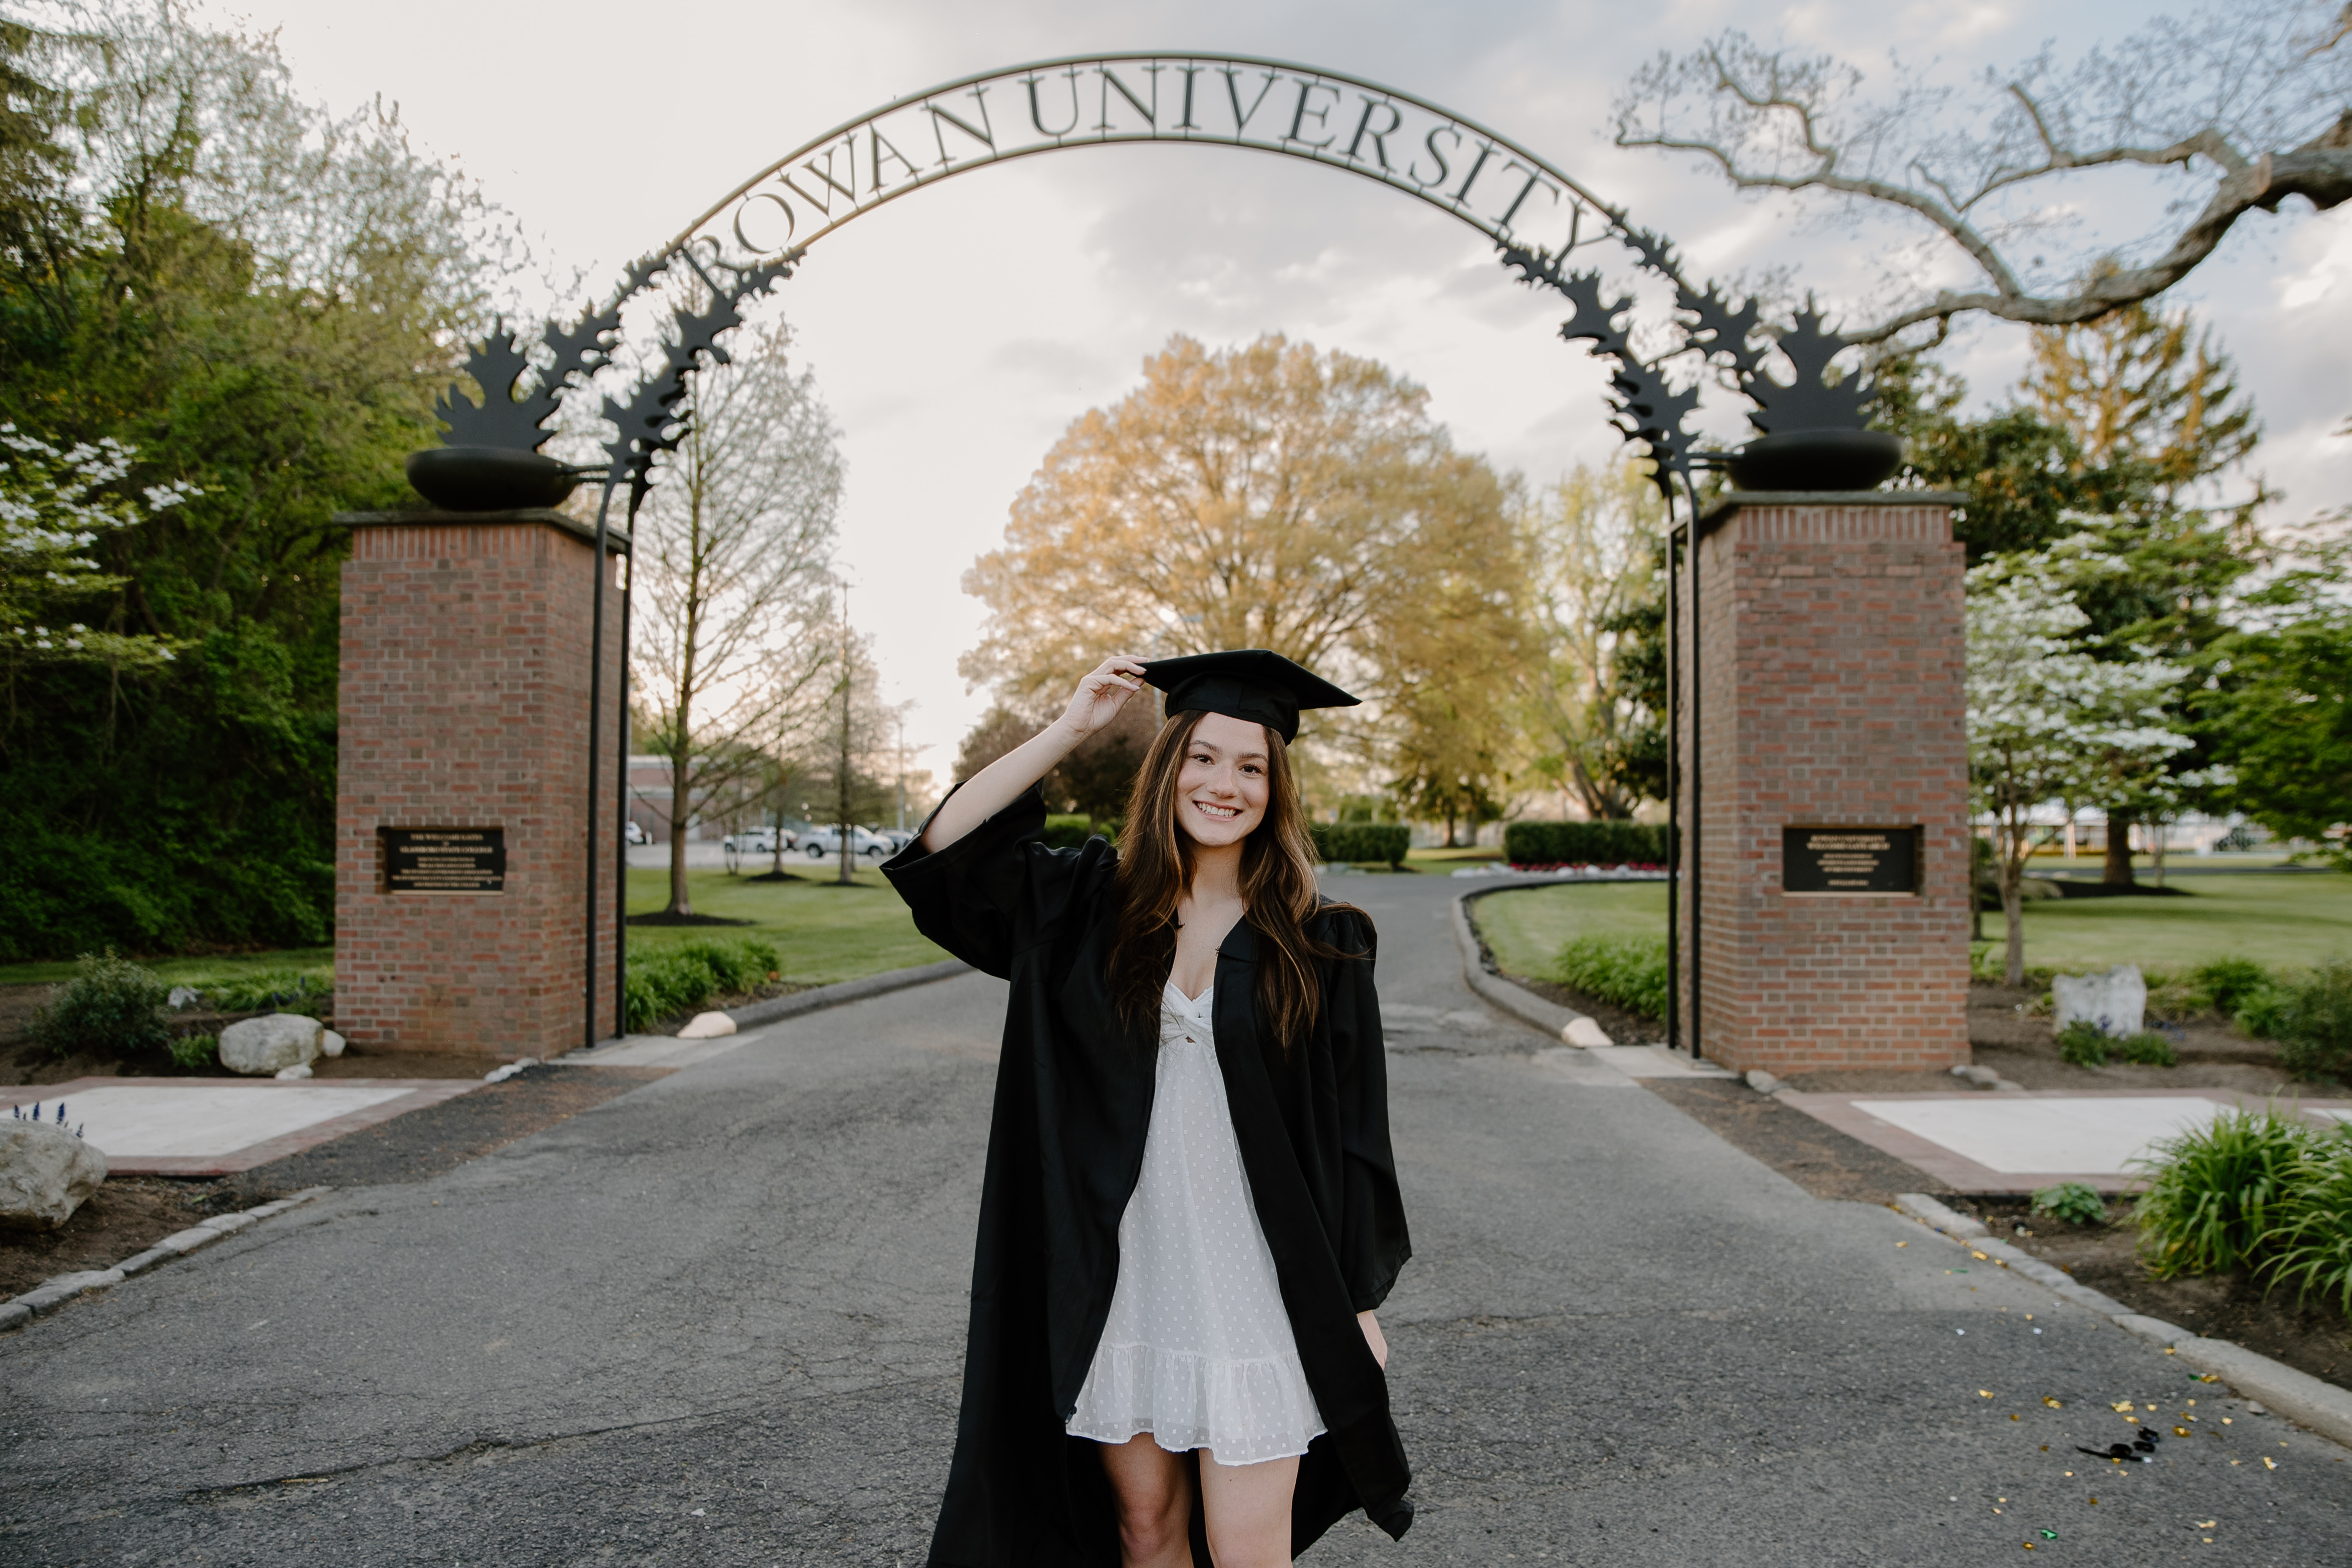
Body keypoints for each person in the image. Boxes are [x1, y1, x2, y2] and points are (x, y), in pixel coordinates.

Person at [883, 650, 1413, 1567]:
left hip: (1258, 1287)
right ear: (1170, 766)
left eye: (1252, 767)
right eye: (1205, 757)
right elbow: (943, 850)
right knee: (1146, 1532)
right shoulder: (1089, 908)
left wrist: (1359, 1301)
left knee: (1252, 1551)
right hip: (1126, 1280)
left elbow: (1360, 1137)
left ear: (1276, 789)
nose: (1225, 784)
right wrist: (1072, 726)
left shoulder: (1325, 943)